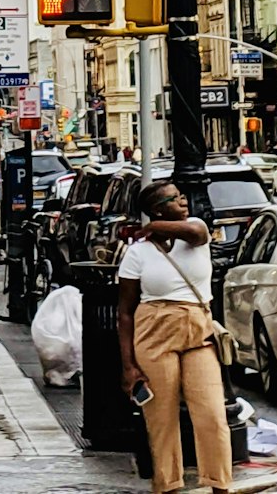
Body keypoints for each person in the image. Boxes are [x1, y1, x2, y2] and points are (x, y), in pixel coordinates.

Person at [117, 180, 232, 494]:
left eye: (182, 196)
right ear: (157, 206)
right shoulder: (138, 253)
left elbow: (195, 234)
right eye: (174, 198)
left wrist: (153, 225)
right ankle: (168, 486)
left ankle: (220, 485)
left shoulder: (195, 230)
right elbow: (124, 312)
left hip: (198, 330)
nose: (183, 201)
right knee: (161, 420)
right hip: (154, 333)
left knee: (212, 414)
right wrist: (128, 366)